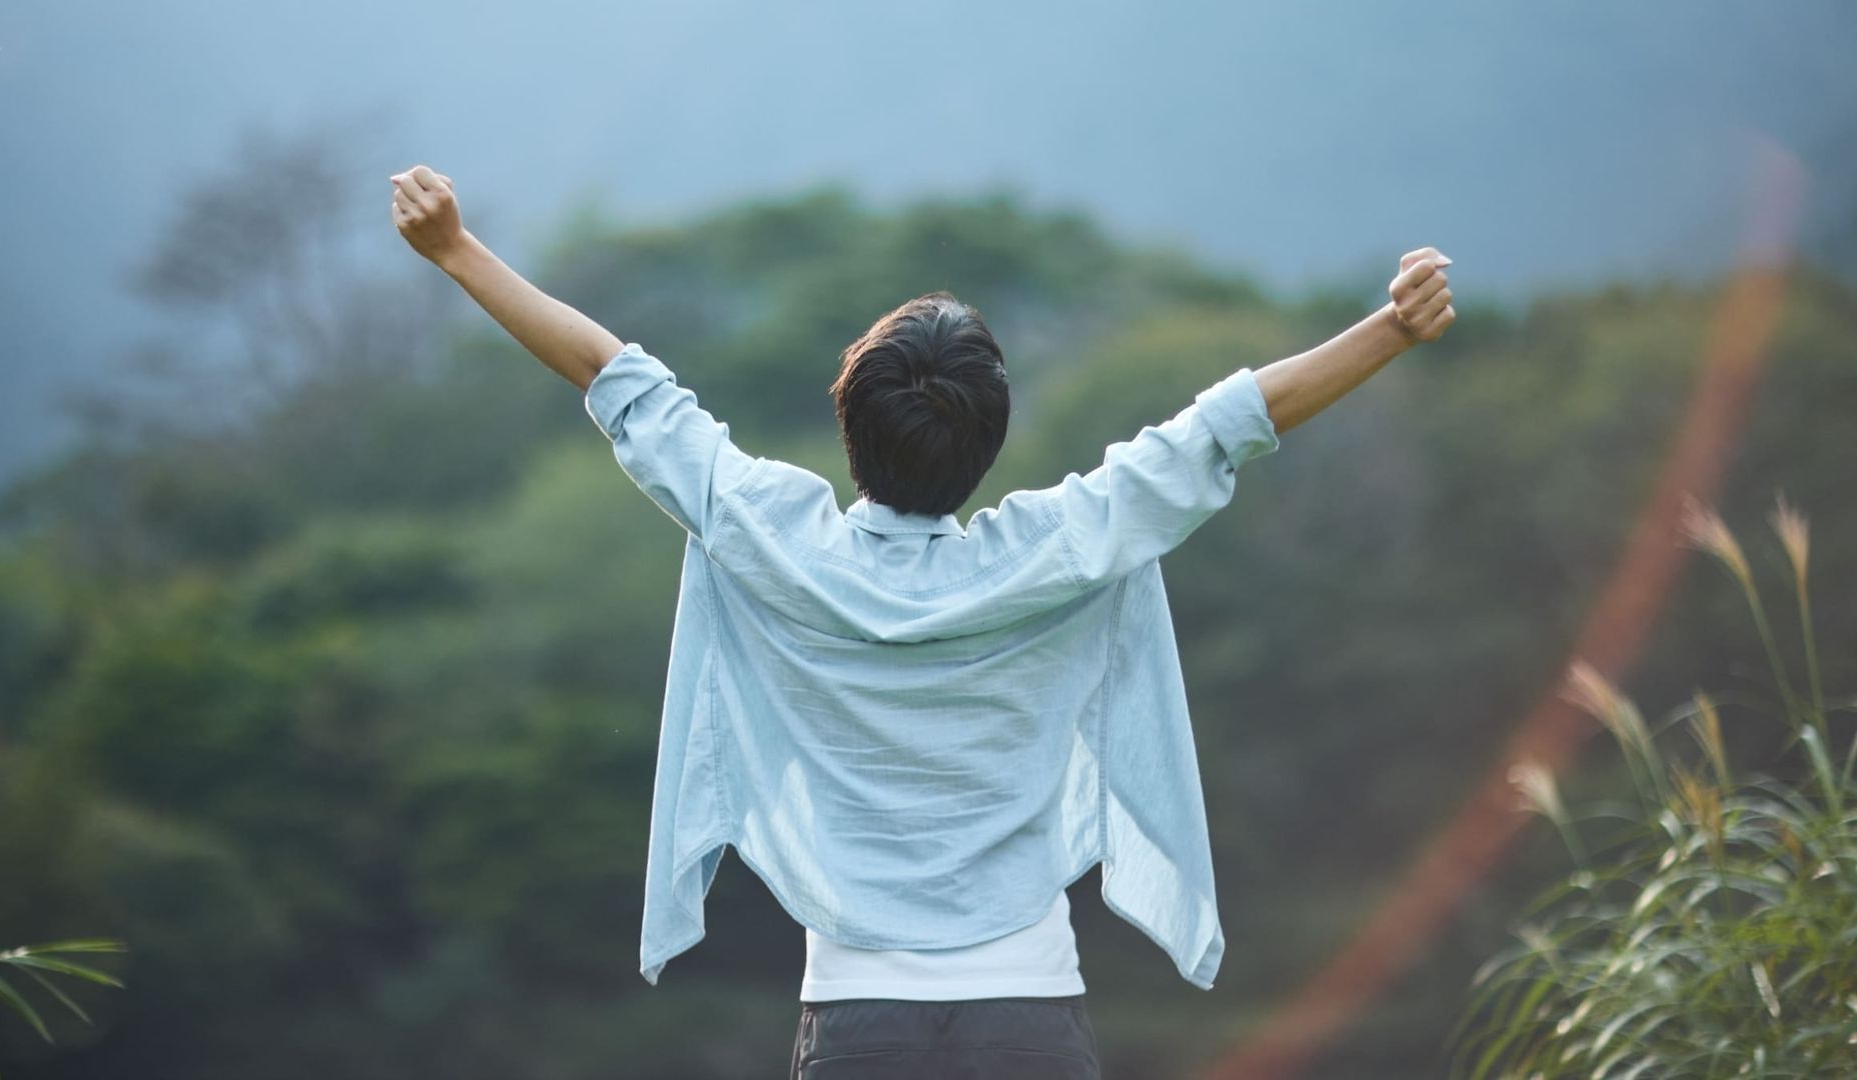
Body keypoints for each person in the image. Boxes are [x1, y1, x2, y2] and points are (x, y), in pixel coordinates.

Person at [390, 163, 1454, 1078]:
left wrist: (456, 251)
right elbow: (1224, 429)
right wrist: (1392, 329)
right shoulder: (1056, 548)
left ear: (851, 423)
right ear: (987, 441)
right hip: (1031, 1019)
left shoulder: (776, 537)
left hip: (857, 1024)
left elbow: (612, 376)